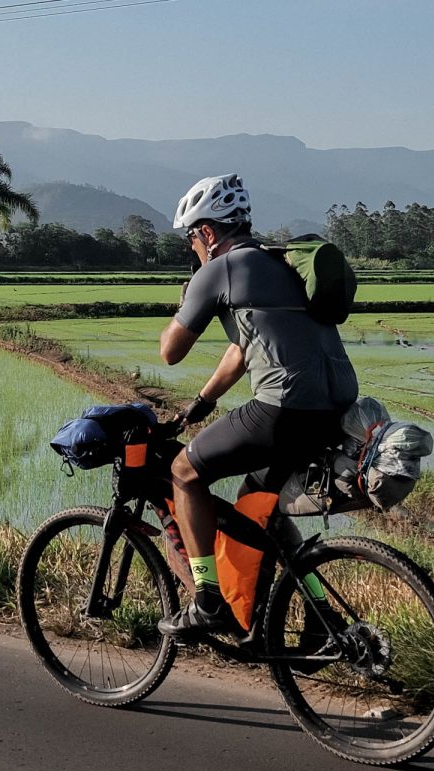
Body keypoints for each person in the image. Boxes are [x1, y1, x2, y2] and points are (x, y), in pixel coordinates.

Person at [157, 174, 359, 637]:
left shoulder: (218, 270)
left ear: (207, 232)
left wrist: (189, 296)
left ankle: (208, 601)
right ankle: (322, 616)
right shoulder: (278, 262)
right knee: (260, 500)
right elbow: (243, 349)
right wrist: (203, 401)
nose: (192, 248)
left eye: (192, 238)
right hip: (337, 406)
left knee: (184, 474)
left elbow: (170, 351)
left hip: (283, 408)